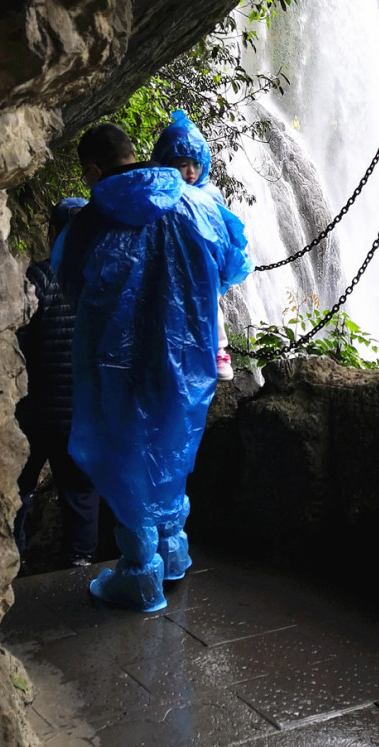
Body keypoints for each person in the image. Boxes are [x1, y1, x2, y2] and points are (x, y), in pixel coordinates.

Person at [54, 122, 252, 612]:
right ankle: (174, 553)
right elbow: (233, 262)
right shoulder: (198, 202)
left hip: (115, 361)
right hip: (186, 358)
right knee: (171, 448)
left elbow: (70, 281)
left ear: (93, 170)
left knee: (126, 455)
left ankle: (140, 575)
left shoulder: (91, 219)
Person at [13, 196, 99, 568]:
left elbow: (18, 343)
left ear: (51, 232)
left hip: (35, 413)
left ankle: (10, 563)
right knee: (80, 494)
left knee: (17, 491)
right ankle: (81, 566)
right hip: (82, 415)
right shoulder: (101, 280)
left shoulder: (37, 277)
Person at [152, 109, 252, 381]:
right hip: (170, 266)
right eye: (183, 165)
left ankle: (219, 350)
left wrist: (227, 264)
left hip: (202, 266)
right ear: (167, 163)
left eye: (196, 164)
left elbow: (227, 231)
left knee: (209, 306)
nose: (191, 171)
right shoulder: (159, 193)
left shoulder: (209, 194)